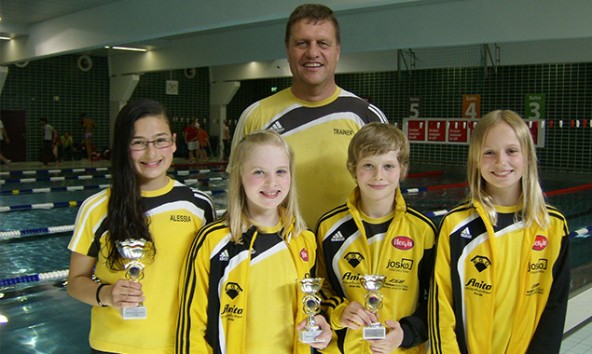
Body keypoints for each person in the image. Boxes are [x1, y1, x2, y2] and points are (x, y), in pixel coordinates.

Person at [67, 98, 216, 354]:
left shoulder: (198, 205)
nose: (152, 153)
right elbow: (75, 282)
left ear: (173, 142)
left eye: (160, 140)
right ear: (124, 147)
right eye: (138, 143)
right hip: (115, 344)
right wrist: (107, 294)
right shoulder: (98, 207)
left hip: (183, 342)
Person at [230, 3, 388, 227]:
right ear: (288, 51)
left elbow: (389, 192)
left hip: (348, 255)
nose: (313, 52)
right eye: (302, 43)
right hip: (279, 252)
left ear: (337, 51)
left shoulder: (366, 115)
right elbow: (236, 191)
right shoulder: (255, 116)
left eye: (323, 43)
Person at [176, 130, 331, 354]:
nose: (272, 182)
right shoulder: (213, 241)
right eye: (259, 172)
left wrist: (322, 324)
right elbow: (191, 325)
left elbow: (316, 303)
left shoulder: (303, 238)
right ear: (239, 175)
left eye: (281, 171)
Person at [429, 110, 570, 354]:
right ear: (475, 159)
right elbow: (441, 305)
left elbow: (555, 309)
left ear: (527, 157)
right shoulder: (455, 225)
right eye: (489, 152)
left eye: (511, 151)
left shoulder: (552, 227)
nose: (501, 162)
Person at [316, 122, 436, 353]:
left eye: (388, 166)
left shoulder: (423, 230)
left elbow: (436, 301)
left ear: (402, 169)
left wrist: (406, 333)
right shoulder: (329, 227)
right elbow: (320, 290)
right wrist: (339, 313)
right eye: (368, 165)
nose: (378, 176)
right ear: (353, 168)